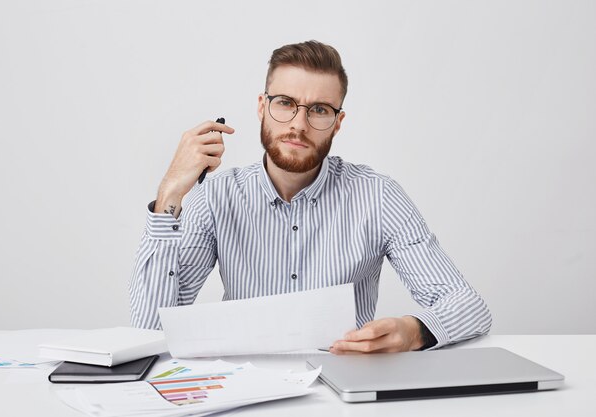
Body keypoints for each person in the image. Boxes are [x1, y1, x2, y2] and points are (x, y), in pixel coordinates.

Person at [129, 40, 492, 353]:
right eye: (285, 103)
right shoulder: (218, 198)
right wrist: (170, 192)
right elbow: (150, 330)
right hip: (246, 386)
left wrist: (412, 331)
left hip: (346, 385)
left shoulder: (377, 196)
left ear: (338, 121)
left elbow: (468, 306)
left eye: (319, 110)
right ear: (261, 106)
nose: (298, 125)